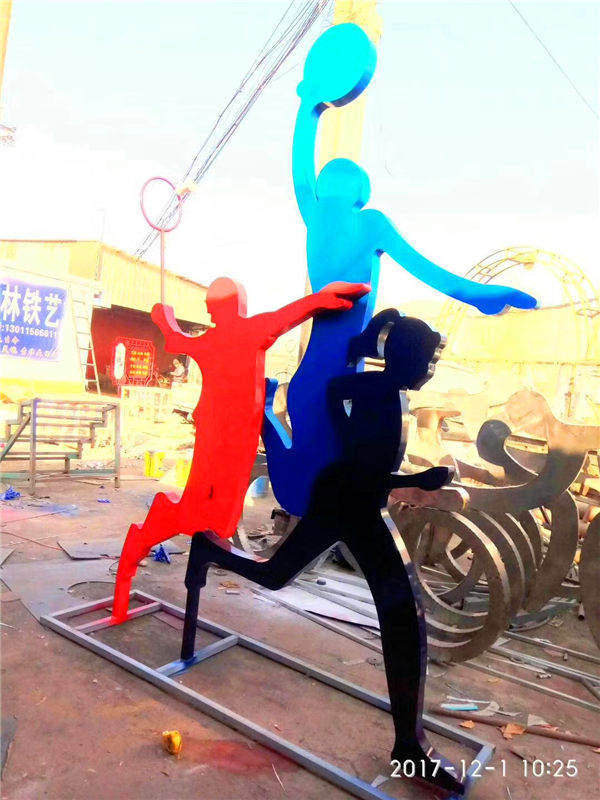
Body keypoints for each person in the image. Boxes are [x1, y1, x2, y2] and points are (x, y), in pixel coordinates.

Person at [183, 310, 464, 797]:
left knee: (402, 613)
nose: (429, 370)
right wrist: (418, 479)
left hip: (359, 503)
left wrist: (355, 439)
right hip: (345, 502)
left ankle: (409, 744)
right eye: (425, 360)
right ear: (404, 356)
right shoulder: (379, 392)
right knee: (281, 577)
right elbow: (361, 460)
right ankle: (208, 549)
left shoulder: (390, 393)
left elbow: (347, 417)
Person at [262, 23, 537, 518]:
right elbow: (426, 269)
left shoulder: (316, 216)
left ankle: (267, 416)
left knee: (316, 466)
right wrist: (478, 295)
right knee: (322, 475)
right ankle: (269, 423)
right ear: (361, 190)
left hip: (317, 368)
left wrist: (308, 106)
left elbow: (300, 167)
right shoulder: (369, 223)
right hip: (340, 367)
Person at [111, 276, 369, 621]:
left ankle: (154, 530)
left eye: (211, 306)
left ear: (222, 307)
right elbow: (282, 317)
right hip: (221, 434)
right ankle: (149, 538)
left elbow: (178, 339)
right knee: (208, 512)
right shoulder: (242, 333)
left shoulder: (234, 335)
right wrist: (319, 300)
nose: (210, 313)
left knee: (214, 515)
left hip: (226, 434)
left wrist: (164, 318)